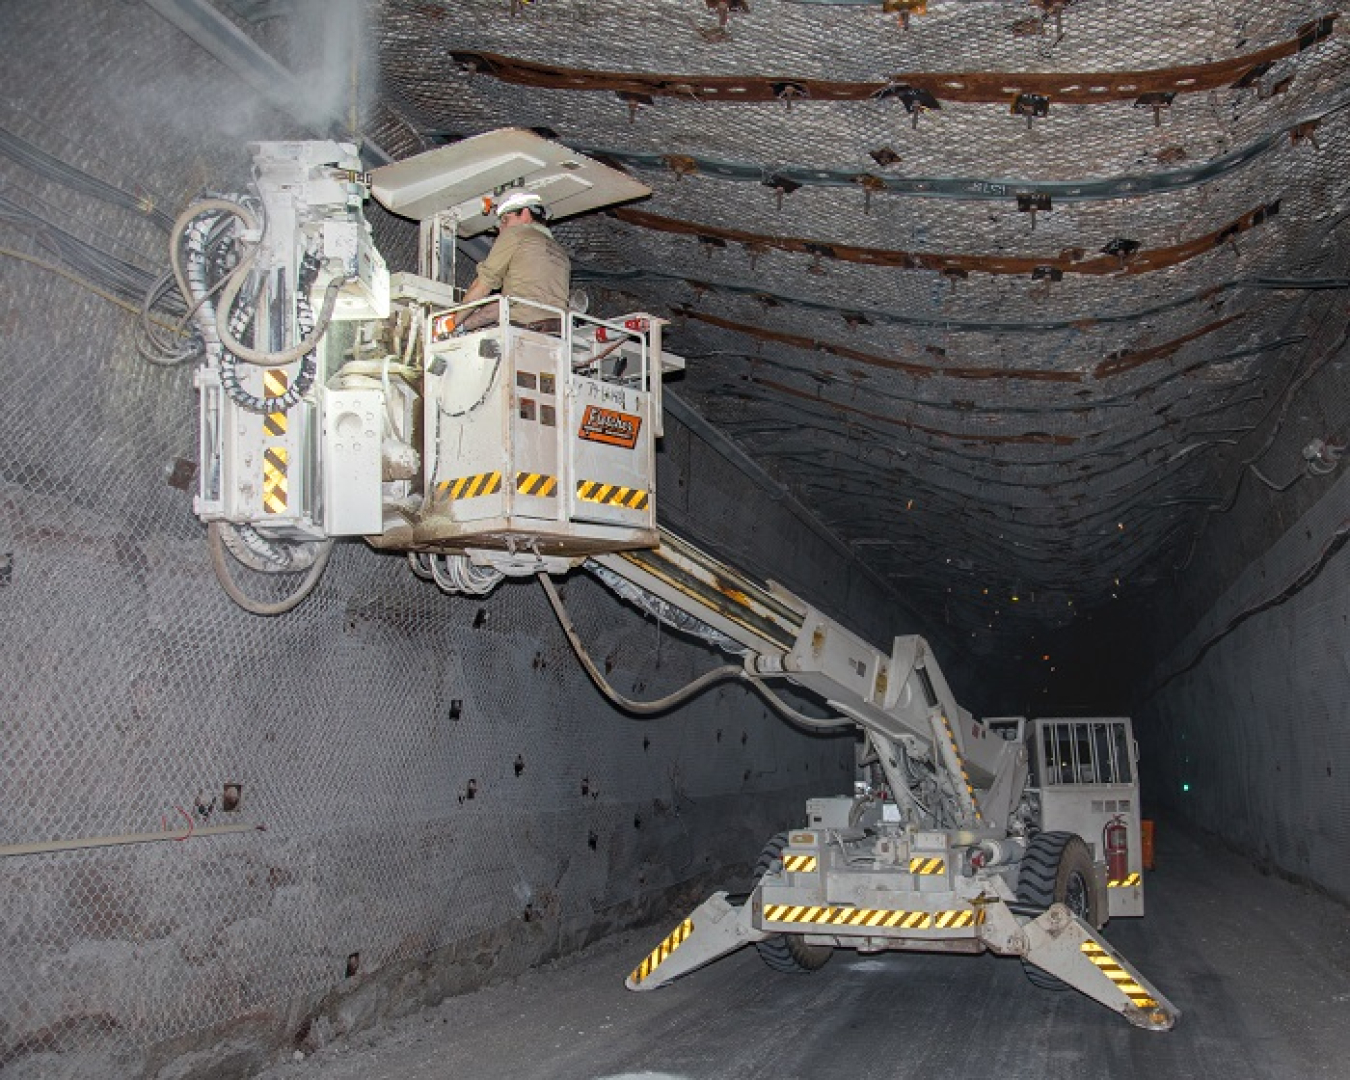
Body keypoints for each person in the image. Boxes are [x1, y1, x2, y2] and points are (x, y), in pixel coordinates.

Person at [456, 188, 571, 332]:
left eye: (505, 220)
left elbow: (483, 286)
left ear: (525, 213)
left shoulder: (516, 234)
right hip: (557, 334)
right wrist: (463, 326)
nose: (501, 229)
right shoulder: (560, 253)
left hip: (522, 330)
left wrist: (451, 323)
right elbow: (506, 305)